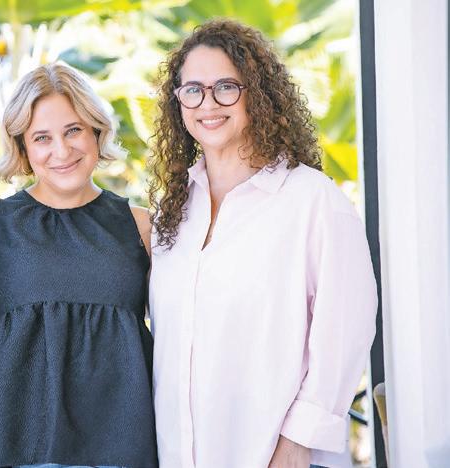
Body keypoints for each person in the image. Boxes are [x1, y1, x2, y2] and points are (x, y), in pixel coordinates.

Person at [148, 19, 377, 468]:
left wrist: (297, 442)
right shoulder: (173, 211)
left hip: (278, 456)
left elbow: (347, 328)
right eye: (192, 90)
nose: (208, 103)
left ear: (257, 93)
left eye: (225, 87)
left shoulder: (311, 200)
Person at [0, 63, 158, 468]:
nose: (62, 150)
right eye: (42, 138)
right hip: (24, 453)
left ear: (96, 131)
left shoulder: (141, 227)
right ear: (23, 147)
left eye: (73, 130)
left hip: (126, 450)